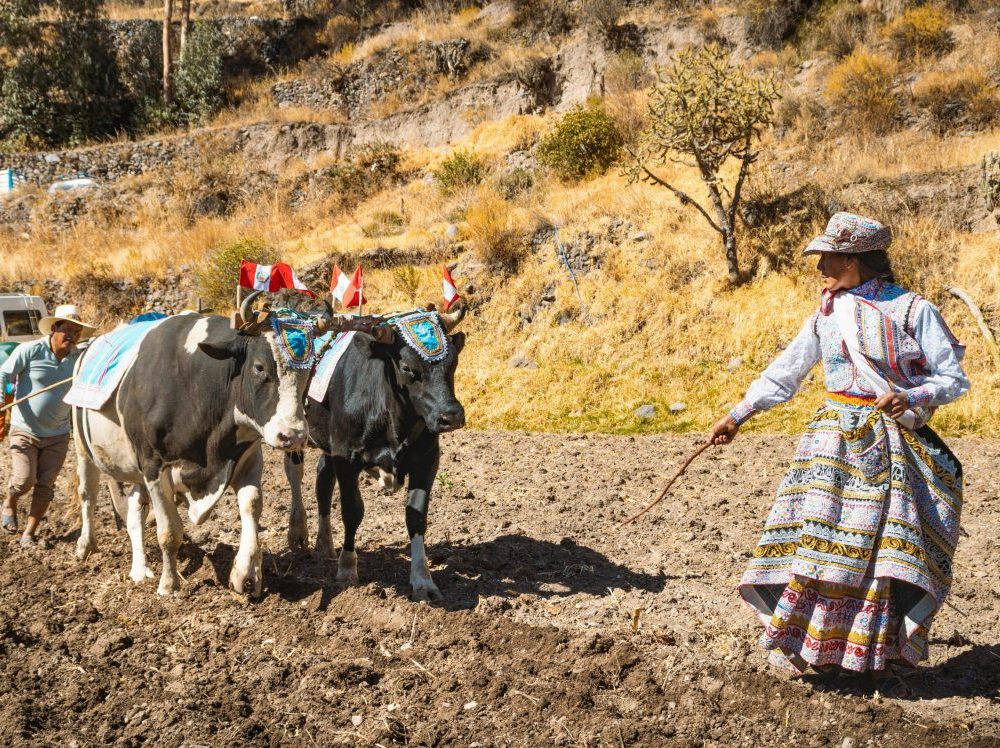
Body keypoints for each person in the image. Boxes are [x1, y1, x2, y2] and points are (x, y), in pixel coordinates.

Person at [708, 212, 969, 681]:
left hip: (888, 445)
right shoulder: (827, 313)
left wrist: (910, 396)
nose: (820, 267)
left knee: (874, 554)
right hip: (828, 446)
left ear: (855, 259)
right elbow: (787, 370)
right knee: (818, 545)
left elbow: (952, 378)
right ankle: (813, 648)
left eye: (828, 257)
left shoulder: (912, 310)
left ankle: (872, 654)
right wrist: (737, 416)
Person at [0, 304, 97, 547]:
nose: (72, 336)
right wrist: (1, 399)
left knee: (45, 486)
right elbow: (3, 374)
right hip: (25, 430)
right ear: (54, 328)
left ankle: (29, 533)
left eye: (77, 332)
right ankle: (10, 501)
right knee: (24, 480)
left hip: (58, 433)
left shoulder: (78, 359)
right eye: (68, 330)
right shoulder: (30, 350)